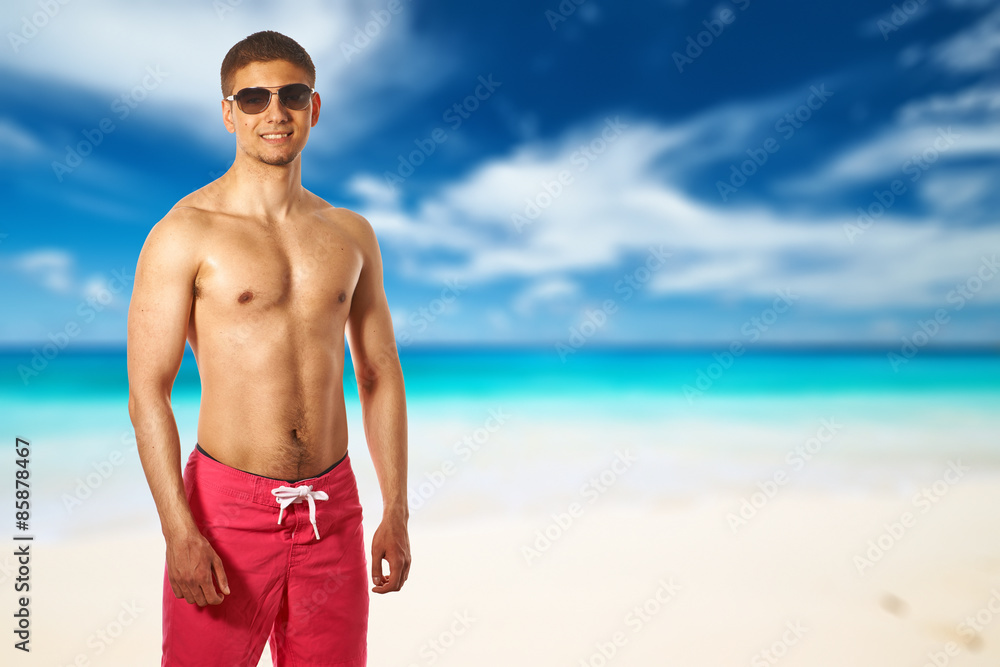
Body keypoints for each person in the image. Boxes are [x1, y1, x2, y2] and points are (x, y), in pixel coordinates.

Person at [126, 30, 410, 667]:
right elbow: (148, 391)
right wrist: (179, 528)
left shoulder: (351, 234)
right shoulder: (183, 234)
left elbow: (379, 375)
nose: (274, 113)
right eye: (253, 98)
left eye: (291, 95)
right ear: (229, 112)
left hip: (333, 511)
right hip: (225, 512)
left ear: (315, 107)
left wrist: (396, 507)